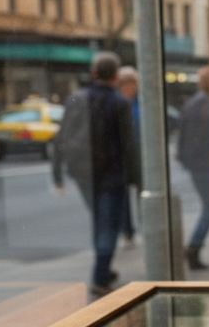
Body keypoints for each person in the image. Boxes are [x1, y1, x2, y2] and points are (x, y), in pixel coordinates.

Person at [51, 51, 140, 296]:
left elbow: (60, 138)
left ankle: (104, 269)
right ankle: (100, 276)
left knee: (100, 221)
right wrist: (136, 178)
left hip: (83, 173)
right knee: (108, 225)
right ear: (115, 76)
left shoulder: (75, 100)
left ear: (93, 74)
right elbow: (128, 145)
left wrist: (57, 175)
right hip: (112, 174)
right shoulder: (119, 103)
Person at [177, 65, 209, 270]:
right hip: (205, 164)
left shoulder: (193, 103)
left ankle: (193, 248)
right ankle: (193, 247)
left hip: (196, 164)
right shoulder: (207, 104)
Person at [115, 65, 141, 248]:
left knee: (144, 193)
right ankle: (127, 232)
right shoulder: (115, 103)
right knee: (122, 198)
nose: (128, 88)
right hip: (121, 156)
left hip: (140, 155)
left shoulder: (141, 103)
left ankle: (146, 226)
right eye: (124, 84)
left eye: (131, 84)